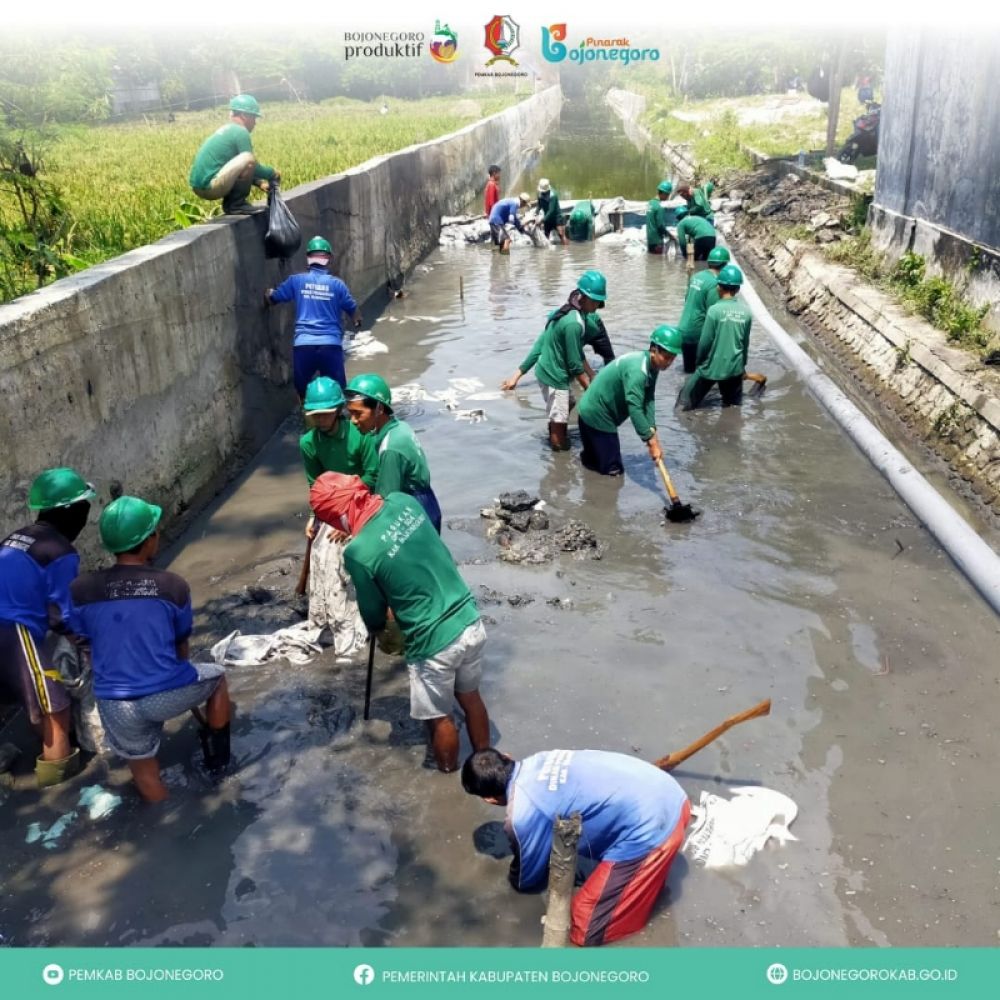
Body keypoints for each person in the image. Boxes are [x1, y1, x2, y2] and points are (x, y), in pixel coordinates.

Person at [309, 473, 491, 773]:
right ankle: (488, 769)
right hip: (469, 618)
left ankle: (447, 778)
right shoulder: (403, 502)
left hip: (432, 641)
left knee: (439, 717)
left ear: (338, 515)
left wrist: (383, 627)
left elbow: (372, 613)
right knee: (470, 698)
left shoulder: (358, 551)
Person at [68, 497, 231, 803]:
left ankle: (166, 828)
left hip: (115, 703)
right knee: (218, 679)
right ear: (148, 542)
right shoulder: (173, 586)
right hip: (165, 693)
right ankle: (218, 763)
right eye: (154, 531)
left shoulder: (80, 590)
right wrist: (183, 674)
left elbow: (82, 639)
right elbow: (181, 642)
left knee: (145, 774)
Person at [462, 747, 691, 947]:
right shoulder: (543, 758)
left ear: (489, 799)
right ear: (506, 756)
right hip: (671, 793)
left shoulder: (521, 815)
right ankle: (637, 883)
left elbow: (527, 878)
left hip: (658, 829)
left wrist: (512, 882)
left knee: (586, 925)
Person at [0, 468, 94, 787]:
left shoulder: (17, 537)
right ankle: (63, 793)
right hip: (14, 631)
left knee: (33, 697)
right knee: (56, 708)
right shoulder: (58, 550)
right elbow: (63, 614)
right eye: (84, 507)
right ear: (71, 512)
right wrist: (90, 647)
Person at [299, 377, 375, 656]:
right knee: (322, 558)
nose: (319, 420)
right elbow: (314, 485)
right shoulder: (308, 443)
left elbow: (371, 476)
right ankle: (327, 616)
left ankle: (367, 613)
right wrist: (314, 516)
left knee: (357, 560)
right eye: (314, 415)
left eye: (325, 414)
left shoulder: (360, 435)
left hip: (362, 504)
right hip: (330, 510)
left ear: (338, 410)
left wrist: (349, 518)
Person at [500, 271, 607, 451]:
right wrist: (591, 390)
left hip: (549, 372)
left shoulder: (567, 312)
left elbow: (577, 353)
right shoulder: (573, 324)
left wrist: (592, 374)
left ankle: (554, 432)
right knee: (560, 419)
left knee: (568, 404)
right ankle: (558, 456)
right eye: (596, 301)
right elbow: (574, 364)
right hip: (554, 377)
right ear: (585, 297)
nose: (598, 306)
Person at [576, 326, 681, 477]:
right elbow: (635, 408)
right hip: (598, 415)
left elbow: (649, 398)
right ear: (653, 350)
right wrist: (649, 440)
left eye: (673, 358)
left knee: (592, 463)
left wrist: (652, 430)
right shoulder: (638, 371)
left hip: (591, 409)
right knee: (614, 472)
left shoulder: (652, 365)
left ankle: (585, 482)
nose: (669, 362)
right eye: (666, 357)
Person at [344, 373, 442, 533]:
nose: (353, 420)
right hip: (426, 502)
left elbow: (386, 504)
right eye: (350, 413)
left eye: (358, 413)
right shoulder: (400, 427)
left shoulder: (391, 448)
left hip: (415, 510)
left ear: (379, 409)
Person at [265, 236, 362, 398]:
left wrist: (268, 293)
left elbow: (273, 299)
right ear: (329, 259)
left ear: (308, 258)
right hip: (330, 346)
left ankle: (308, 419)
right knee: (338, 394)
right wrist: (357, 321)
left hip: (303, 346)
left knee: (303, 394)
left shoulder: (296, 281)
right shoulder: (338, 285)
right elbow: (353, 310)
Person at [189, 94, 279, 215]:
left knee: (245, 160)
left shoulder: (228, 130)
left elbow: (236, 169)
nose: (255, 123)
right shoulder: (240, 131)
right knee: (248, 158)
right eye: (254, 117)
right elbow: (252, 165)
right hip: (209, 186)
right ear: (244, 115)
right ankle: (237, 204)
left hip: (199, 186)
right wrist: (272, 173)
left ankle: (231, 205)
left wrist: (259, 183)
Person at [679, 264, 753, 410]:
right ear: (738, 289)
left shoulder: (714, 311)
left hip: (710, 368)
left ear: (719, 287)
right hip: (734, 369)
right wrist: (742, 366)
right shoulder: (746, 313)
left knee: (683, 406)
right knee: (733, 408)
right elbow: (745, 344)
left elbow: (705, 343)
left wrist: (699, 363)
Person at [677, 246, 730, 373]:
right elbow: (713, 314)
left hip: (683, 330)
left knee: (689, 372)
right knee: (702, 373)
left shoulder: (696, 276)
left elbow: (687, 299)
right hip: (698, 333)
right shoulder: (715, 284)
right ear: (725, 265)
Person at [535, 179, 568, 246]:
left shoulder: (553, 195)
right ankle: (546, 253)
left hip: (557, 218)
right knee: (545, 235)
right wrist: (536, 213)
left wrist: (542, 220)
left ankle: (566, 253)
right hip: (547, 218)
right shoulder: (540, 194)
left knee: (561, 235)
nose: (543, 193)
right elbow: (539, 205)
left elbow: (551, 210)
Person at [645, 180, 675, 254]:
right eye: (668, 195)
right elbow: (660, 225)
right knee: (659, 262)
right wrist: (670, 235)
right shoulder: (659, 207)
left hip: (650, 240)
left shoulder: (650, 203)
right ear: (664, 193)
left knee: (652, 261)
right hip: (657, 240)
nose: (668, 197)